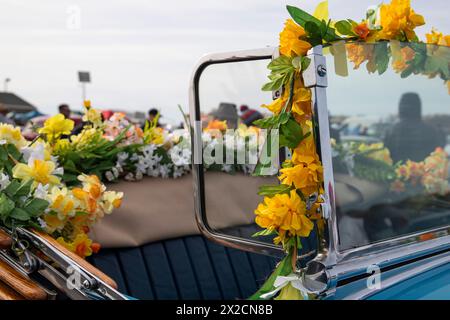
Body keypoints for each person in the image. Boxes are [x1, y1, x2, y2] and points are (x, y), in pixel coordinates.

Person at [384, 92, 443, 163]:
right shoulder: (431, 131)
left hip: (395, 172)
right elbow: (437, 157)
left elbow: (385, 157)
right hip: (424, 172)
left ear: (400, 107)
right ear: (419, 107)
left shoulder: (390, 131)